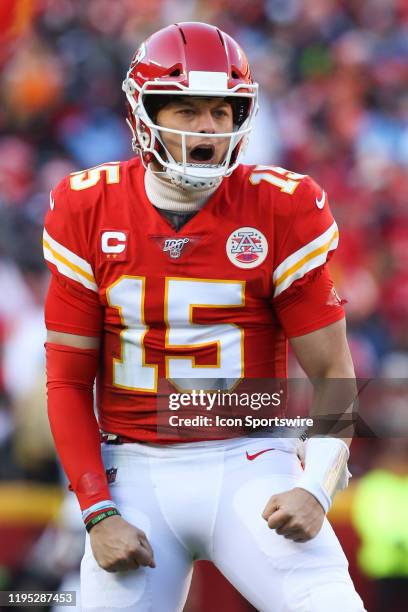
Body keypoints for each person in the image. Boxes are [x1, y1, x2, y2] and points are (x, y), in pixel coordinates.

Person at [43, 22, 365, 612]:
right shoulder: (86, 207)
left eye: (223, 111)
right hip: (130, 470)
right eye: (187, 110)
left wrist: (316, 488)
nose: (209, 129)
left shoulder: (280, 206)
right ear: (144, 114)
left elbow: (334, 375)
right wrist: (96, 512)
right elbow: (66, 383)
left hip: (250, 459)